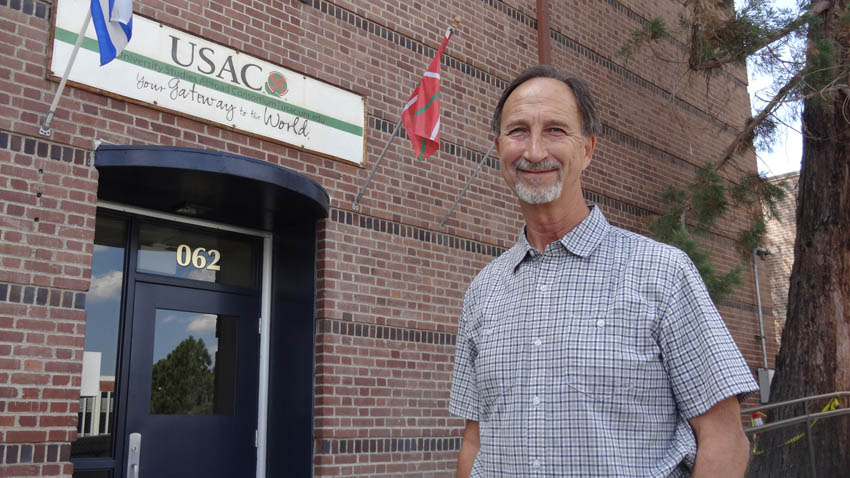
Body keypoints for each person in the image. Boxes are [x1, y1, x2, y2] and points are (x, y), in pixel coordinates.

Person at [449, 65, 758, 478]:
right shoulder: (482, 292)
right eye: (518, 131)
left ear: (588, 149)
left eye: (556, 130)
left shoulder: (661, 273)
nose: (535, 151)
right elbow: (475, 439)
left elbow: (724, 438)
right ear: (498, 146)